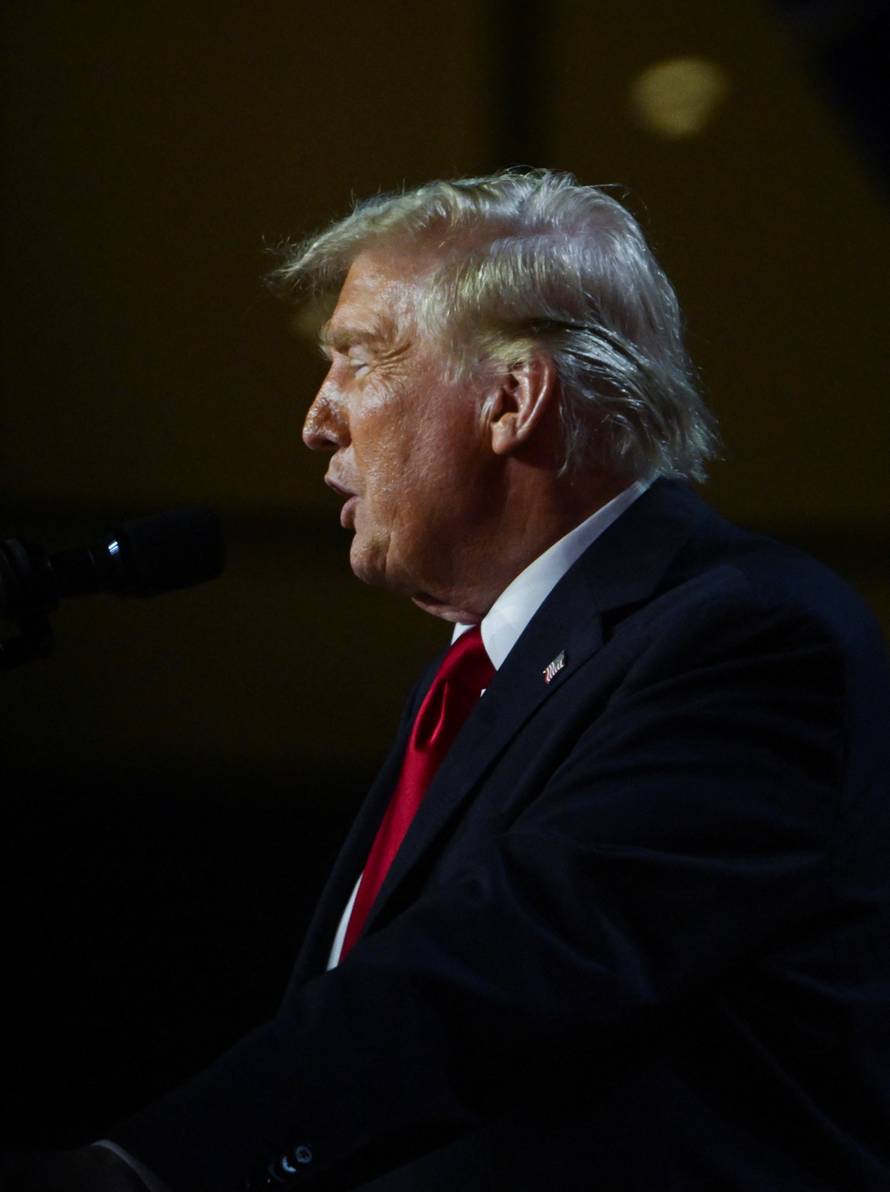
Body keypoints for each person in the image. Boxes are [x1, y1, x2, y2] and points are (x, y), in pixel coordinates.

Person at [9, 170, 890, 1190]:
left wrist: (147, 1168)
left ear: (511, 399)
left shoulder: (748, 637)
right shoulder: (482, 672)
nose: (317, 420)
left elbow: (510, 962)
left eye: (357, 358)